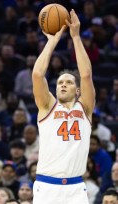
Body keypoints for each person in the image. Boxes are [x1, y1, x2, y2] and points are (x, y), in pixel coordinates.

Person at [32, 10, 95, 204]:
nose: (63, 85)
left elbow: (85, 75)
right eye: (59, 83)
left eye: (68, 82)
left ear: (77, 91)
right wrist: (51, 42)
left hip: (75, 188)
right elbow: (37, 75)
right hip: (47, 186)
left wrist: (75, 37)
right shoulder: (47, 106)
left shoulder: (84, 108)